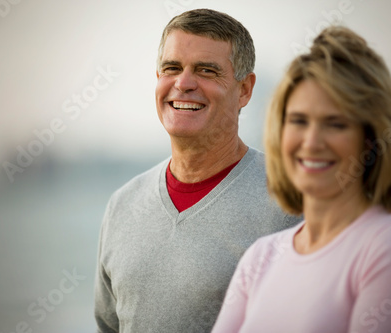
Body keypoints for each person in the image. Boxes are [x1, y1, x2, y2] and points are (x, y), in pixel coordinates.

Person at [212, 26, 391, 333]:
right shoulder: (260, 257)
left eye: (335, 124)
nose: (312, 141)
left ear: (371, 139)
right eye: (299, 121)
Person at [94, 8, 300, 333]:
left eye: (206, 71)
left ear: (244, 89)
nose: (184, 83)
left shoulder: (291, 201)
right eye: (171, 68)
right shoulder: (122, 205)